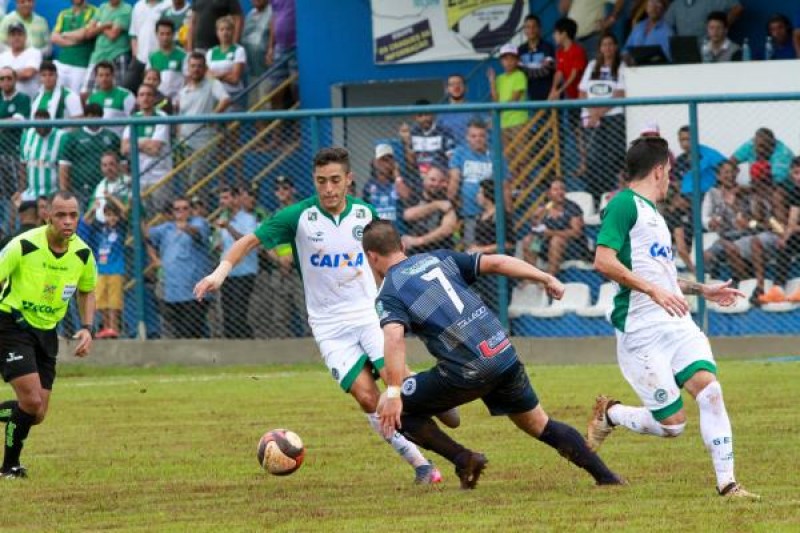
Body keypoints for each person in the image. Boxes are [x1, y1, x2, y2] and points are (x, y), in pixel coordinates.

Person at [194, 147, 454, 485]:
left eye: (335, 180)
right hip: (329, 326)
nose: (328, 189)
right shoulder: (298, 217)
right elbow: (248, 241)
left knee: (400, 382)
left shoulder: (366, 214)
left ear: (349, 179)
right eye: (321, 181)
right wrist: (219, 273)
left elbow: (385, 261)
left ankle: (434, 396)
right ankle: (421, 465)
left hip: (368, 313)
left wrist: (400, 301)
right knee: (366, 397)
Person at [364, 219, 624, 489]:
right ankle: (607, 478)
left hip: (466, 371)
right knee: (540, 425)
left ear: (372, 257)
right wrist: (545, 277)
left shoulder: (390, 291)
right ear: (402, 245)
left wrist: (394, 392)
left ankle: (464, 459)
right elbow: (497, 263)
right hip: (502, 353)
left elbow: (394, 337)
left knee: (391, 408)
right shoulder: (439, 258)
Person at [589, 136, 759, 499]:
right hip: (642, 330)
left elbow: (663, 277)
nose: (671, 178)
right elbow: (603, 261)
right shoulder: (623, 205)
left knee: (711, 392)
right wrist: (652, 291)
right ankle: (612, 413)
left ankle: (728, 483)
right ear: (660, 169)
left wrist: (703, 289)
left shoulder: (655, 215)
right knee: (672, 427)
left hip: (677, 323)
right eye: (670, 170)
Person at [0, 190, 96, 479]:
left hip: (46, 333)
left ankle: (10, 464)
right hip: (11, 325)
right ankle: (9, 467)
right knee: (30, 402)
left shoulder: (82, 253)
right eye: (61, 215)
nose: (68, 221)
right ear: (47, 216)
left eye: (73, 215)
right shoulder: (23, 245)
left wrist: (88, 328)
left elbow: (87, 290)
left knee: (37, 413)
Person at [147, 196, 211, 339]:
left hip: (194, 288)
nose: (181, 212)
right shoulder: (166, 228)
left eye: (185, 208)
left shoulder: (199, 222)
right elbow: (148, 238)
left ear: (191, 210)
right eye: (177, 209)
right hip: (173, 289)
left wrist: (186, 228)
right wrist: (155, 259)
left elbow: (198, 233)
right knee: (177, 329)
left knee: (192, 329)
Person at [579, 32, 627, 200]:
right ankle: (594, 196)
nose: (607, 48)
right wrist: (592, 113)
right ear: (599, 48)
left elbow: (620, 93)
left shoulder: (621, 66)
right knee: (593, 158)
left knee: (612, 156)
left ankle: (610, 194)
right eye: (604, 45)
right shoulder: (592, 65)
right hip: (591, 118)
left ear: (615, 47)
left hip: (613, 117)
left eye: (610, 44)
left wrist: (599, 112)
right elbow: (582, 91)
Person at [448, 118, 510, 246]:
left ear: (487, 136)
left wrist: (508, 212)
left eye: (482, 135)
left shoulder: (496, 155)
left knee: (492, 249)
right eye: (473, 136)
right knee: (471, 249)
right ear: (467, 137)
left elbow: (505, 185)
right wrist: (452, 203)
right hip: (468, 212)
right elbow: (454, 179)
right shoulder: (460, 153)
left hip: (491, 213)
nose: (478, 139)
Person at [122, 83, 173, 215]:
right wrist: (145, 143)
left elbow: (155, 149)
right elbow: (124, 149)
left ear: (155, 98)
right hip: (139, 177)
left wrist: (135, 142)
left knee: (161, 214)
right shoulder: (133, 118)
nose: (145, 98)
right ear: (137, 99)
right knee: (143, 217)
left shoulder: (161, 117)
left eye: (149, 95)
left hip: (160, 177)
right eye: (142, 95)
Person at [58, 102, 122, 206]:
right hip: (80, 190)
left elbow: (121, 164)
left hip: (106, 189)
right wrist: (64, 192)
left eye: (96, 116)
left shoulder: (111, 137)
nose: (93, 119)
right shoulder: (73, 137)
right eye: (90, 116)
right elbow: (64, 167)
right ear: (85, 117)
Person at [215, 187, 258, 339]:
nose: (222, 202)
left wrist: (228, 227)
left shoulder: (248, 219)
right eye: (221, 198)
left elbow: (247, 242)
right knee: (227, 315)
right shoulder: (222, 219)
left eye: (226, 198)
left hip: (245, 271)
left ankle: (247, 345)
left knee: (239, 314)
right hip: (227, 272)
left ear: (236, 199)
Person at [523, 179, 588, 276]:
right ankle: (532, 276)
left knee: (556, 240)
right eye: (556, 189)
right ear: (548, 193)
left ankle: (550, 277)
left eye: (562, 189)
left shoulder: (573, 207)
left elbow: (576, 233)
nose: (560, 192)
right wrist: (535, 218)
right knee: (528, 240)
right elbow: (536, 229)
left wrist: (551, 233)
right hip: (547, 246)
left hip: (572, 248)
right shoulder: (546, 208)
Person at [83, 198, 127, 339]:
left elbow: (125, 212)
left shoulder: (120, 228)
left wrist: (110, 197)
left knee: (114, 301)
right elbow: (85, 222)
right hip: (101, 270)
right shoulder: (100, 229)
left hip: (116, 270)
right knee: (101, 301)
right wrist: (93, 209)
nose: (112, 218)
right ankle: (106, 327)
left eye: (114, 215)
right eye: (108, 215)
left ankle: (114, 328)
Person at [550, 18, 588, 176]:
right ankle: (582, 163)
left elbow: (574, 74)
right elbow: (559, 73)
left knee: (582, 133)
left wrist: (560, 91)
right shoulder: (559, 52)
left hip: (582, 98)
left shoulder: (578, 50)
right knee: (576, 132)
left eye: (556, 33)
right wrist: (553, 89)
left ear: (564, 34)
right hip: (571, 98)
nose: (554, 36)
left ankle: (585, 164)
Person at [402, 166, 458, 254]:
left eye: (440, 181)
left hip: (439, 251)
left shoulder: (447, 200)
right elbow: (407, 215)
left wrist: (419, 241)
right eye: (432, 180)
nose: (436, 184)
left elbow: (447, 229)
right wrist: (436, 205)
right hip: (415, 252)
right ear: (424, 179)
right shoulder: (415, 196)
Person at [82, 0, 133, 97]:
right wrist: (105, 25)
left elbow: (113, 35)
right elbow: (88, 33)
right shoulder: (102, 7)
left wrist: (99, 26)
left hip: (118, 55)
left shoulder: (126, 9)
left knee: (117, 93)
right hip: (98, 56)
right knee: (85, 93)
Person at [399, 99, 456, 184]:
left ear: (432, 114)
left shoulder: (444, 131)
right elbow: (411, 165)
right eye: (420, 115)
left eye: (427, 114)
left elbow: (452, 160)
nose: (424, 118)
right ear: (415, 117)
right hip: (419, 178)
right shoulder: (413, 133)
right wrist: (407, 142)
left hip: (439, 178)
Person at [488, 43, 528, 157]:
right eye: (505, 59)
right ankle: (515, 176)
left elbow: (515, 99)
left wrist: (495, 115)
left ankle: (523, 176)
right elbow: (495, 99)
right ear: (501, 61)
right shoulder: (499, 78)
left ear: (517, 60)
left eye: (512, 59)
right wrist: (491, 81)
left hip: (518, 121)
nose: (509, 62)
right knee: (509, 155)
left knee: (522, 155)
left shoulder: (520, 75)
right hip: (503, 122)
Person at [51, 0, 98, 95]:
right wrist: (76, 41)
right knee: (57, 98)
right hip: (62, 64)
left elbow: (84, 34)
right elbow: (54, 37)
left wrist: (64, 34)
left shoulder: (95, 12)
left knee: (76, 100)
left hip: (81, 66)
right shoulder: (64, 13)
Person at [19, 110, 68, 202]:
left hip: (52, 194)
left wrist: (62, 196)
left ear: (49, 121)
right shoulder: (27, 136)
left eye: (43, 126)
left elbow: (64, 169)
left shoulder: (61, 137)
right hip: (30, 194)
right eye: (37, 126)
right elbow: (23, 166)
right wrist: (21, 191)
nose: (40, 129)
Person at [86, 61, 136, 137]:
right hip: (97, 142)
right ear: (96, 77)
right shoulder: (91, 98)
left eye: (107, 75)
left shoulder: (125, 95)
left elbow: (133, 120)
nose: (104, 79)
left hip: (118, 141)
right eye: (101, 75)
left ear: (113, 76)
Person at [146, 18, 188, 104]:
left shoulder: (183, 55)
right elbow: (148, 81)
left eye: (168, 34)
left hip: (177, 101)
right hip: (158, 101)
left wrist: (181, 99)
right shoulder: (152, 57)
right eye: (162, 34)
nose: (165, 37)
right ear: (156, 34)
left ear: (173, 35)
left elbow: (188, 80)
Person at [206, 16, 247, 98]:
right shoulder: (211, 52)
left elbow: (235, 79)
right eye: (222, 29)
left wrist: (216, 76)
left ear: (233, 31)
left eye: (228, 29)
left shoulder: (239, 50)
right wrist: (226, 74)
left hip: (234, 95)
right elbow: (207, 76)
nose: (225, 32)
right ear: (217, 32)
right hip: (214, 95)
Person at [517, 14, 555, 102]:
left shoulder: (547, 47)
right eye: (528, 27)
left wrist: (526, 70)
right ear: (524, 30)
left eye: (534, 27)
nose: (531, 30)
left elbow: (546, 71)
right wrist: (539, 69)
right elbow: (519, 72)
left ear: (539, 29)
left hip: (548, 95)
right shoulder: (520, 49)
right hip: (529, 95)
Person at [0, 23, 41, 98]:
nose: (16, 38)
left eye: (19, 34)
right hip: (7, 102)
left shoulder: (34, 52)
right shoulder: (2, 57)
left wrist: (5, 76)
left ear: (25, 37)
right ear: (8, 38)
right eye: (13, 35)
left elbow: (28, 74)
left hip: (30, 101)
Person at [665, 0, 743, 39]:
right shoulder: (676, 4)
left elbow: (737, 8)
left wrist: (721, 28)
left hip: (709, 51)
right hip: (685, 53)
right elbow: (665, 25)